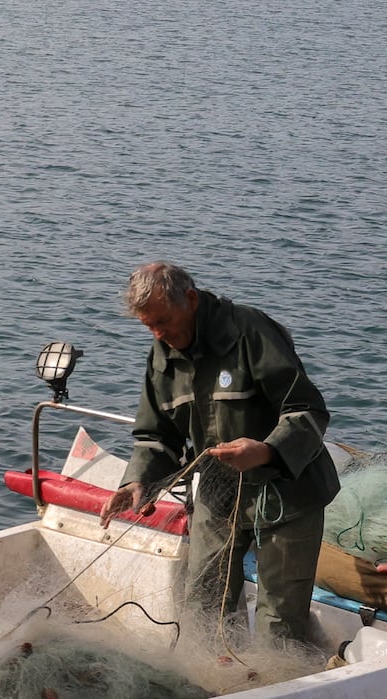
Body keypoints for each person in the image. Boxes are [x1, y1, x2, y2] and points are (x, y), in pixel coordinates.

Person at [99, 261, 340, 647]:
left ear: (191, 300)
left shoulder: (249, 331)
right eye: (148, 325)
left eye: (163, 320)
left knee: (279, 621)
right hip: (217, 493)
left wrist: (265, 450)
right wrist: (137, 481)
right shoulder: (162, 355)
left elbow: (308, 411)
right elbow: (155, 435)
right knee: (203, 604)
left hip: (286, 493)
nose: (159, 334)